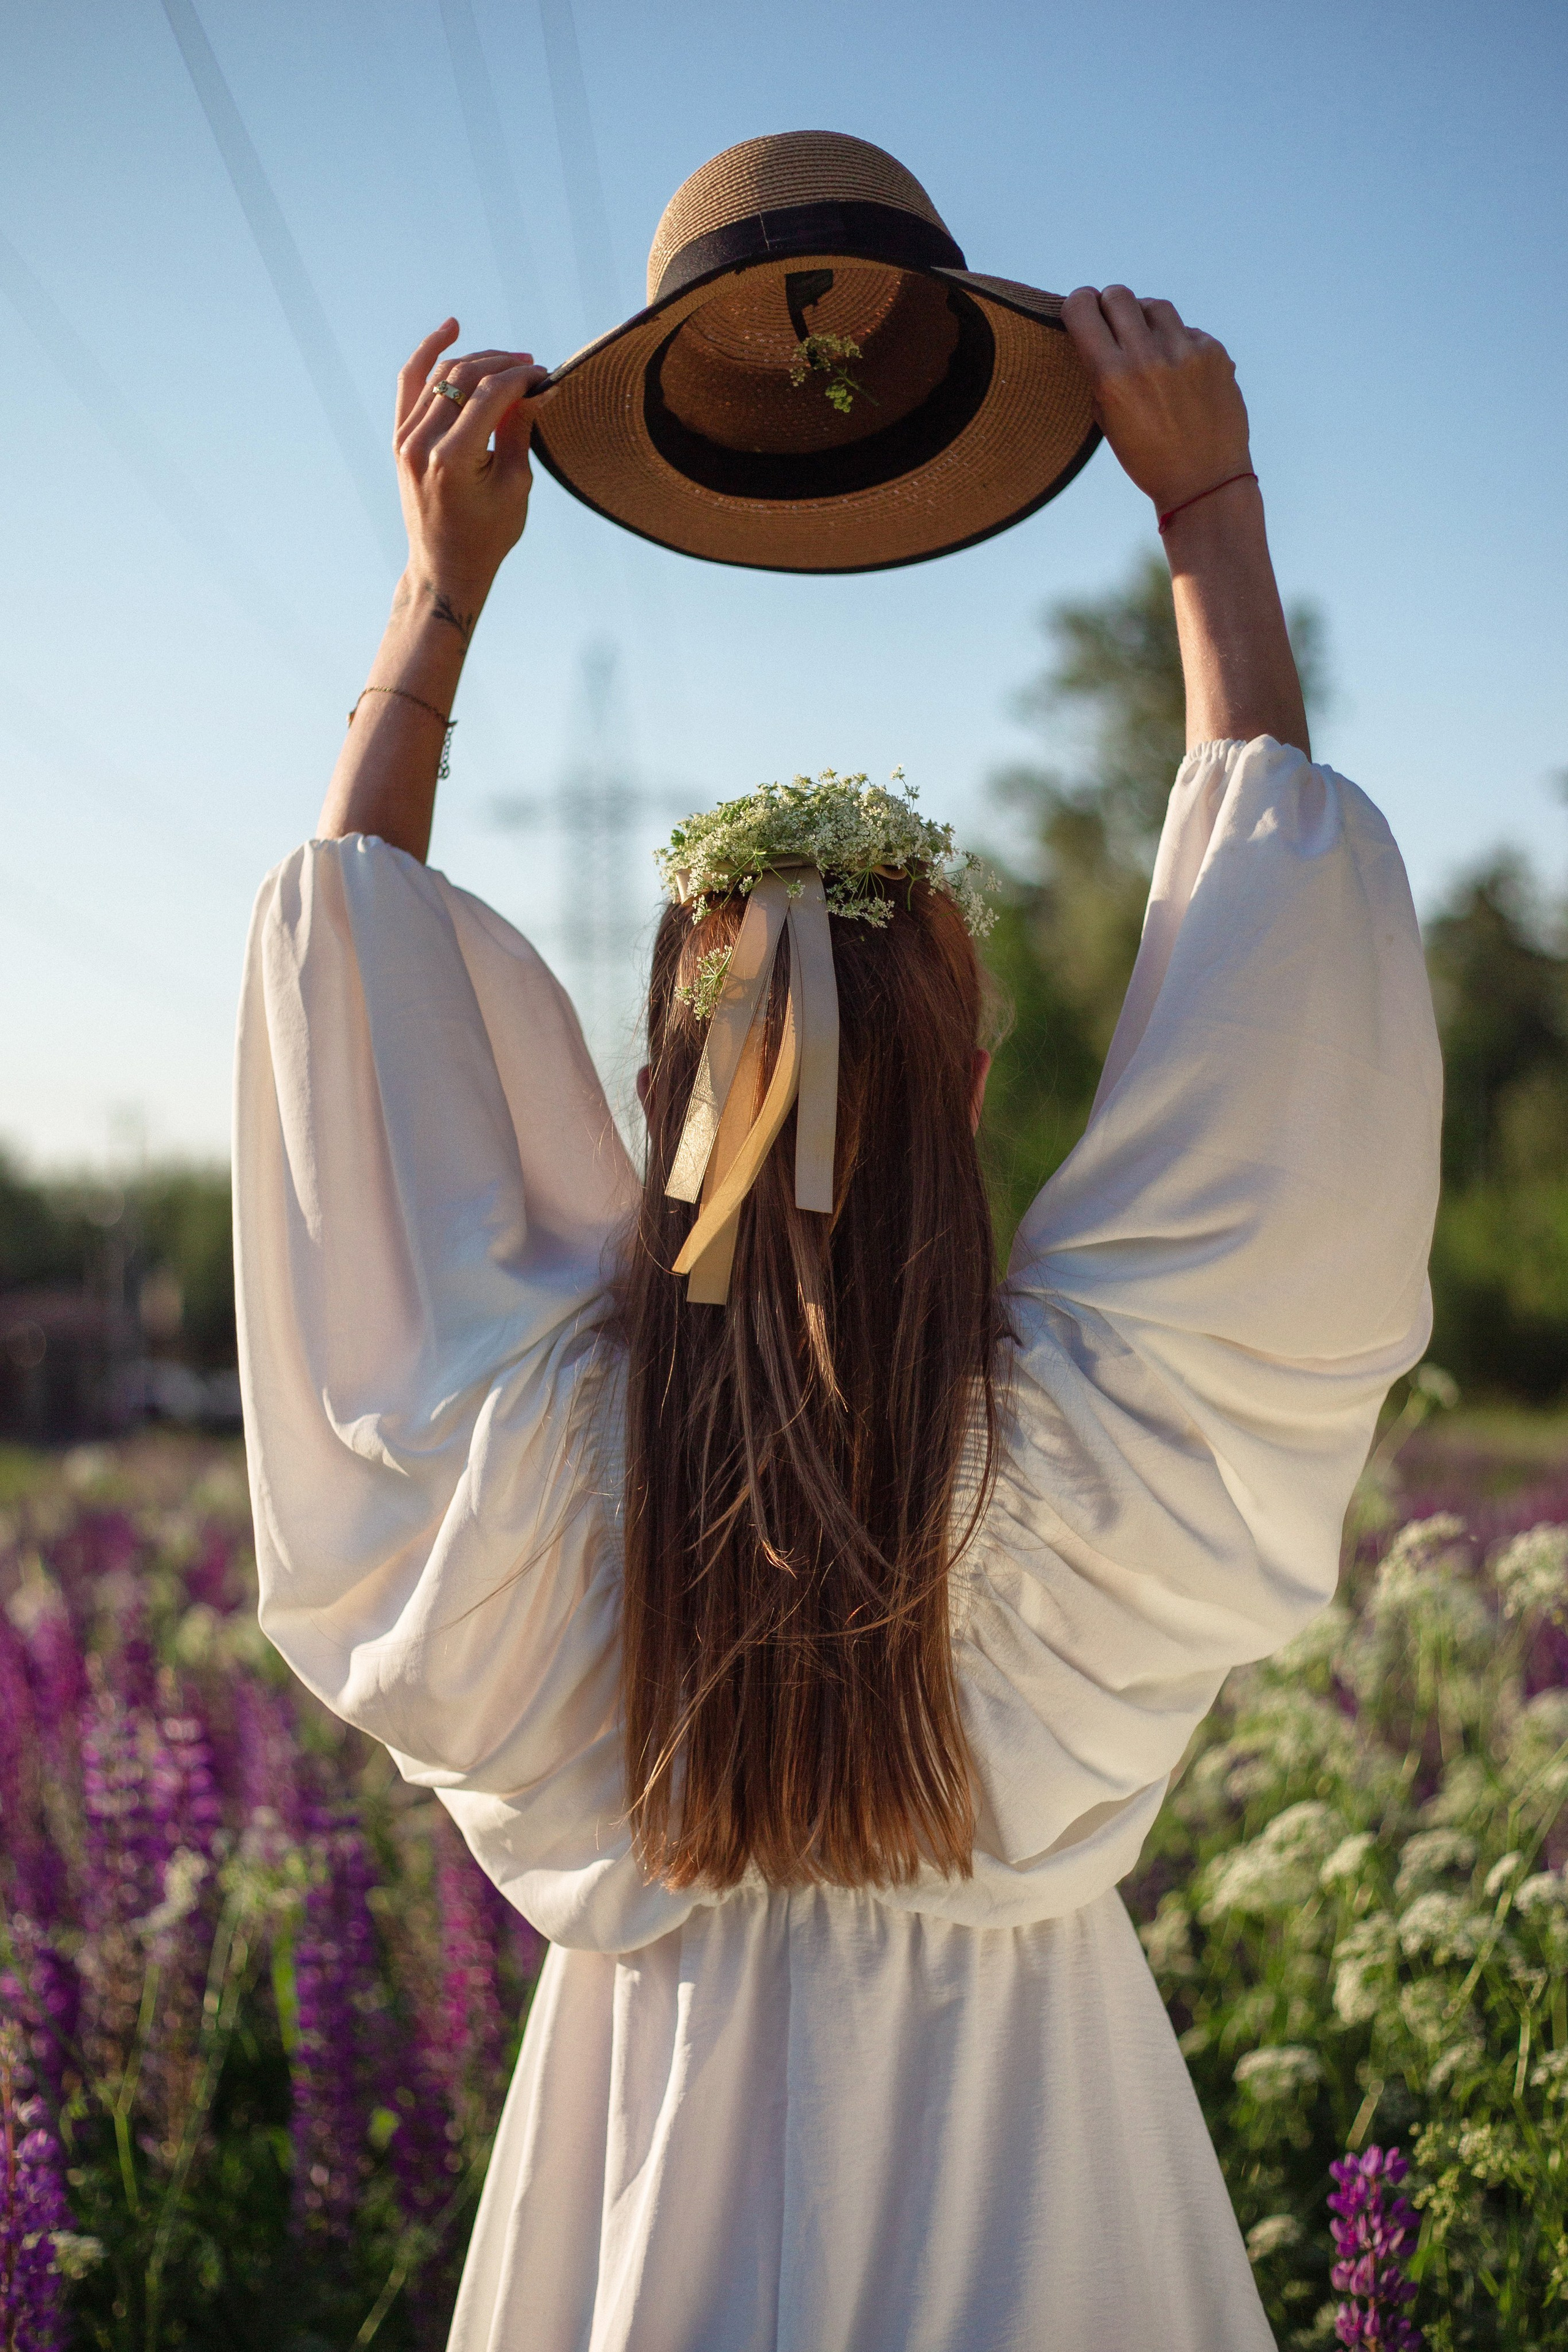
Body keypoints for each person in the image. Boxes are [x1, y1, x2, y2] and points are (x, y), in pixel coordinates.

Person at [235, 288, 1442, 2350]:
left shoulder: (541, 1473)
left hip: (650, 2133)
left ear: (647, 1102)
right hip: (1038, 2147)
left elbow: (346, 999)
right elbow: (1282, 999)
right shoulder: (1089, 1458)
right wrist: (1212, 514)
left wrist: (437, 597)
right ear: (968, 1095)